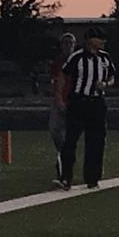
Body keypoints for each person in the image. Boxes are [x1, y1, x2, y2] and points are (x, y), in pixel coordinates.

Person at [57, 27, 116, 190]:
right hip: (78, 102)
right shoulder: (76, 57)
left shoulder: (105, 57)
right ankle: (66, 177)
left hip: (97, 102)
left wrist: (105, 84)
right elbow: (63, 75)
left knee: (96, 141)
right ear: (90, 40)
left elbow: (112, 77)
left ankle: (92, 177)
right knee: (70, 140)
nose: (103, 41)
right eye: (100, 38)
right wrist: (61, 98)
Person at [49, 33, 76, 183]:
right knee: (54, 129)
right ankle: (62, 154)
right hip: (60, 101)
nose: (67, 46)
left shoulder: (78, 61)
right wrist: (58, 100)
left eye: (70, 43)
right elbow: (55, 82)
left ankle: (66, 165)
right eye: (65, 43)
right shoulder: (57, 62)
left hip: (74, 102)